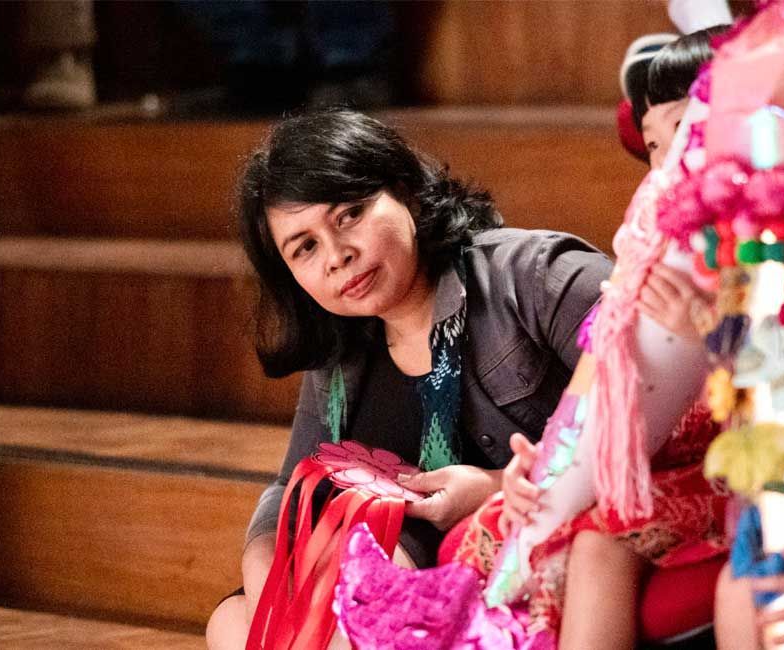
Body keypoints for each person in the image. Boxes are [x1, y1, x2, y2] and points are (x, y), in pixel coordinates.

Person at [205, 109, 613, 649]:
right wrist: (264, 560)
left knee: (368, 616)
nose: (337, 257)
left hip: (520, 546)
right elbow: (292, 484)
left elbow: (653, 419)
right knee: (232, 624)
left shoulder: (537, 276)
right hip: (401, 565)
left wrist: (491, 490)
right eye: (304, 247)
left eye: (350, 215)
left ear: (409, 193)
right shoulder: (338, 343)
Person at [489, 28, 729, 649]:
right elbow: (593, 387)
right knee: (501, 527)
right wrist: (538, 468)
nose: (666, 161)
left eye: (685, 129)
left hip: (726, 461)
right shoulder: (647, 250)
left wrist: (713, 335)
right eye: (653, 144)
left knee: (598, 546)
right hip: (642, 460)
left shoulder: (771, 236)